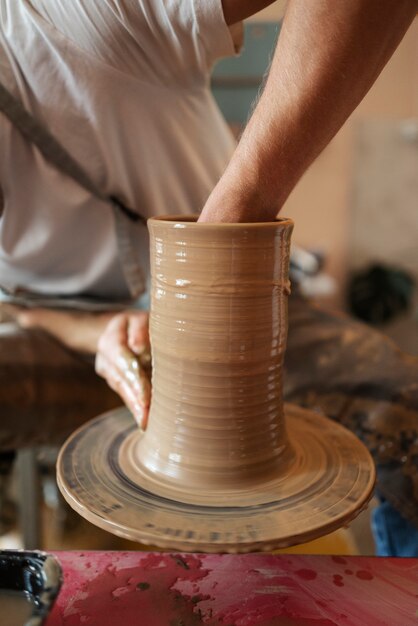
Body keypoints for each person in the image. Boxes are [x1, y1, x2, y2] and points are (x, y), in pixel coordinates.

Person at [0, 0, 417, 554]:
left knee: (408, 416)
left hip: (240, 313)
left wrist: (236, 215)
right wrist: (93, 331)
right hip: (69, 331)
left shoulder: (71, 17)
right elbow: (13, 305)